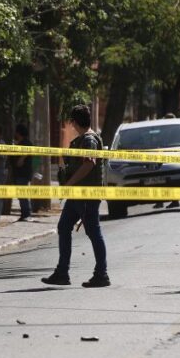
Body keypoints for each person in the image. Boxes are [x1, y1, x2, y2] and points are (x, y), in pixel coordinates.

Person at [42, 105, 109, 288]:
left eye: (70, 122)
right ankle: (62, 273)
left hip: (86, 195)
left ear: (74, 122)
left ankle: (101, 274)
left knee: (93, 232)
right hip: (77, 195)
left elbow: (89, 163)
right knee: (64, 226)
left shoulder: (89, 140)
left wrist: (69, 183)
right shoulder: (83, 139)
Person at [11, 124, 33, 222]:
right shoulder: (20, 143)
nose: (15, 134)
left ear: (19, 133)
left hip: (23, 173)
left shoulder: (26, 143)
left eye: (16, 132)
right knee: (21, 195)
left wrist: (21, 159)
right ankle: (24, 213)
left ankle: (26, 214)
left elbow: (28, 151)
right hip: (19, 173)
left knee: (22, 194)